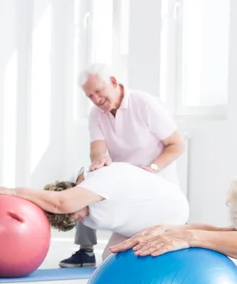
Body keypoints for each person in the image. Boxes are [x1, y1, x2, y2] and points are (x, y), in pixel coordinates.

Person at [60, 63, 186, 268]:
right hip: (125, 185)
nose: (96, 99)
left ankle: (173, 232)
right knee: (83, 180)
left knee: (121, 259)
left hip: (156, 184)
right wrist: (99, 161)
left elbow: (177, 144)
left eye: (98, 92)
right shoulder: (96, 114)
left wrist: (152, 168)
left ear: (113, 82)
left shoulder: (144, 104)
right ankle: (85, 250)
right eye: (90, 96)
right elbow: (97, 148)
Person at [0, 162, 189, 260]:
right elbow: (59, 206)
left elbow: (60, 203)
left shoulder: (100, 181)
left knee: (124, 264)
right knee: (108, 262)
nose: (81, 217)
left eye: (75, 213)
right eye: (76, 219)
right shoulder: (88, 207)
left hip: (169, 212)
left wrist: (14, 192)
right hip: (138, 221)